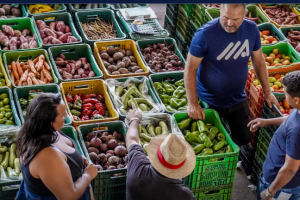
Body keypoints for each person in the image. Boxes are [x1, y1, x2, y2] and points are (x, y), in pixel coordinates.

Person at [184, 4, 279, 147]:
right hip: (209, 100)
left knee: (244, 137)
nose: (229, 23)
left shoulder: (251, 29)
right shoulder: (205, 34)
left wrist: (267, 92)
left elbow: (258, 61)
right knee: (210, 143)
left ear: (245, 14)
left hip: (237, 98)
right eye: (225, 18)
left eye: (235, 19)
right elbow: (190, 69)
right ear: (220, 10)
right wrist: (192, 103)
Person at [16, 93, 98, 200]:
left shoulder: (34, 131)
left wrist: (74, 159)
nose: (67, 116)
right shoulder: (47, 157)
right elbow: (68, 197)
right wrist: (88, 175)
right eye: (63, 115)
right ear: (50, 122)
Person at [125, 104, 196, 200]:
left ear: (156, 155)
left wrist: (135, 119)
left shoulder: (138, 171)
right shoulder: (185, 195)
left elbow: (132, 140)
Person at [248, 71, 300, 200]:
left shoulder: (296, 131)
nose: (284, 95)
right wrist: (266, 122)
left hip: (282, 187)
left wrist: (269, 193)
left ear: (296, 99)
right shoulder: (297, 114)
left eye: (285, 93)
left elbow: (290, 169)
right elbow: (290, 120)